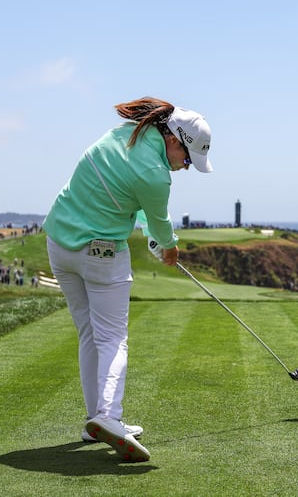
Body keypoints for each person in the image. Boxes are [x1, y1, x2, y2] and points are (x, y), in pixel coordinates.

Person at [42, 97, 213, 462]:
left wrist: (152, 235)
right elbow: (161, 224)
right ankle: (109, 417)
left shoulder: (123, 134)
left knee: (89, 333)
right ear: (174, 139)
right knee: (113, 337)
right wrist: (169, 249)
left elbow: (122, 197)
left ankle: (96, 421)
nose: (185, 167)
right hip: (100, 253)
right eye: (187, 159)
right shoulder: (155, 174)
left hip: (58, 243)